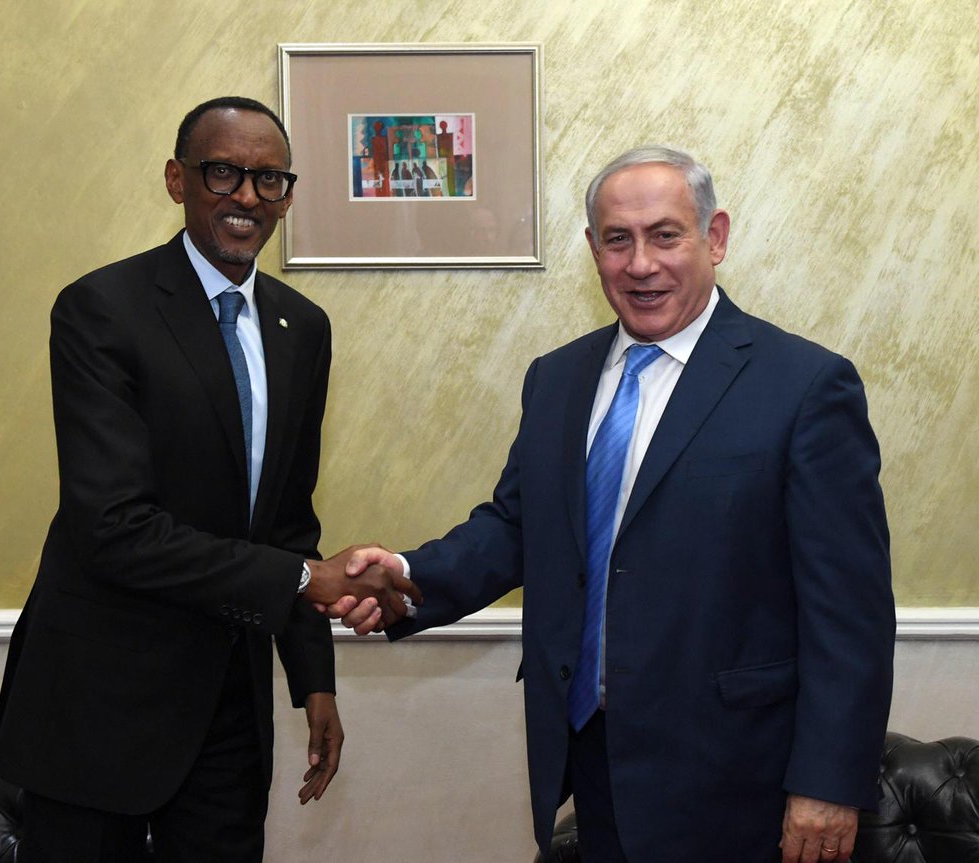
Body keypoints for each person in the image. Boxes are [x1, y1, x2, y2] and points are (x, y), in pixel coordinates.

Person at [333, 147, 895, 862]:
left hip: (737, 778)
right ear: (593, 249)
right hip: (592, 760)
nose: (641, 264)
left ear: (715, 237)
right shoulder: (556, 378)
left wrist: (828, 782)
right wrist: (406, 576)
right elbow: (517, 527)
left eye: (666, 235)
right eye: (618, 240)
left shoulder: (805, 386)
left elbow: (850, 610)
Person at [0, 96, 417, 863]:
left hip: (229, 705)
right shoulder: (101, 310)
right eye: (223, 172)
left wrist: (314, 680)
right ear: (176, 179)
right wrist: (303, 578)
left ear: (287, 195)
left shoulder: (302, 328)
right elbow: (113, 527)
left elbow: (288, 519)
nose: (247, 196)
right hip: (97, 700)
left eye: (269, 178)